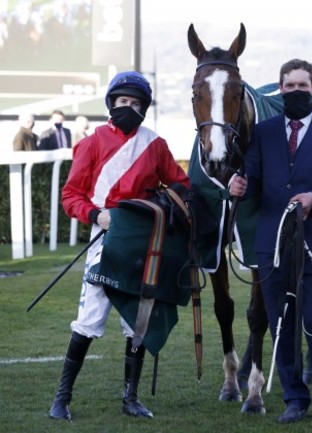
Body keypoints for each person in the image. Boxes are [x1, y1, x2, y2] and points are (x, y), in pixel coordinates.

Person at [48, 71, 190, 421]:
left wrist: (169, 203)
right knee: (89, 318)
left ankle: (131, 397)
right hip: (103, 242)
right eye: (123, 101)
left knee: (138, 323)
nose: (129, 107)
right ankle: (61, 398)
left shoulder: (155, 144)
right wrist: (97, 215)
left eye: (135, 103)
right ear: (112, 104)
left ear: (144, 108)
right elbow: (70, 196)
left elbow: (180, 185)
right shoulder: (92, 142)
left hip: (143, 248)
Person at [229, 58, 312, 424]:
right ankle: (294, 400)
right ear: (280, 89)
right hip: (271, 243)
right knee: (281, 323)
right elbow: (251, 181)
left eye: (303, 86)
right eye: (290, 86)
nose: (297, 91)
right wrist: (238, 186)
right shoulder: (264, 132)